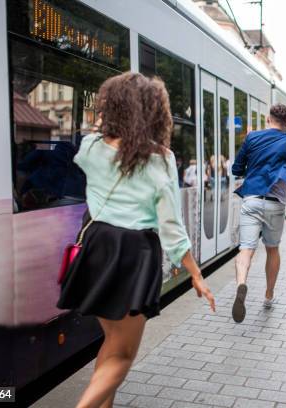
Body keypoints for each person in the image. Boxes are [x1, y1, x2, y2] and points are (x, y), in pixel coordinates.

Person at [57, 73, 215, 408]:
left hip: (96, 245)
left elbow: (94, 139)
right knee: (123, 355)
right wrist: (195, 274)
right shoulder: (160, 158)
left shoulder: (90, 147)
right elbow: (171, 225)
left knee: (112, 341)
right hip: (133, 253)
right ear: (154, 114)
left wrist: (105, 122)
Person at [231, 103, 286, 323]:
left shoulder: (252, 138)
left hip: (251, 201)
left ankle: (241, 284)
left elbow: (236, 169)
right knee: (272, 249)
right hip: (275, 204)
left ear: (268, 119)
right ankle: (268, 295)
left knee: (246, 249)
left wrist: (252, 168)